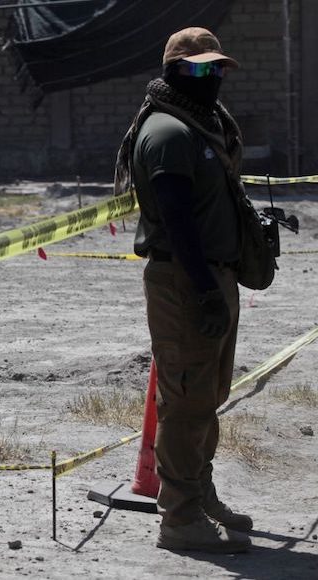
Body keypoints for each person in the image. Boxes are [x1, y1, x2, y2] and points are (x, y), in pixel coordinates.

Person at [114, 27, 253, 553]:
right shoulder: (169, 132)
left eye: (217, 68)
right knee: (186, 401)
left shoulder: (203, 126)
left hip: (211, 276)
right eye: (199, 69)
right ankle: (180, 518)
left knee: (206, 399)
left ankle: (198, 495)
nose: (211, 78)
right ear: (174, 72)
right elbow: (176, 223)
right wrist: (204, 290)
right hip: (185, 280)